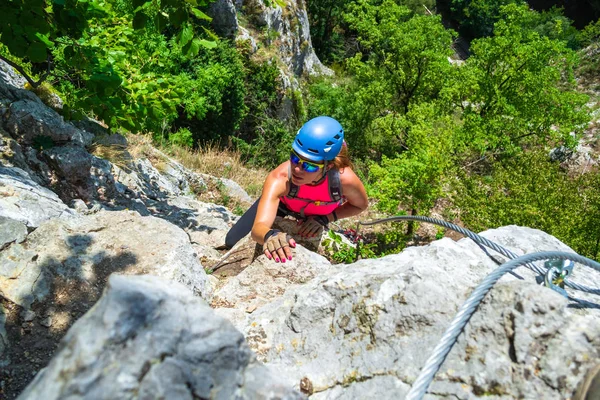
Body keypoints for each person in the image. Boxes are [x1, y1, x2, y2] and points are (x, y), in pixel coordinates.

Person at [225, 116, 368, 263]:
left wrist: (326, 218)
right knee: (232, 240)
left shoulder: (343, 181)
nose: (297, 169)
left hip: (317, 214)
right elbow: (258, 229)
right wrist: (270, 235)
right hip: (283, 205)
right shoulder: (280, 178)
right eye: (294, 158)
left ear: (328, 166)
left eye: (309, 165)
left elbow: (360, 205)